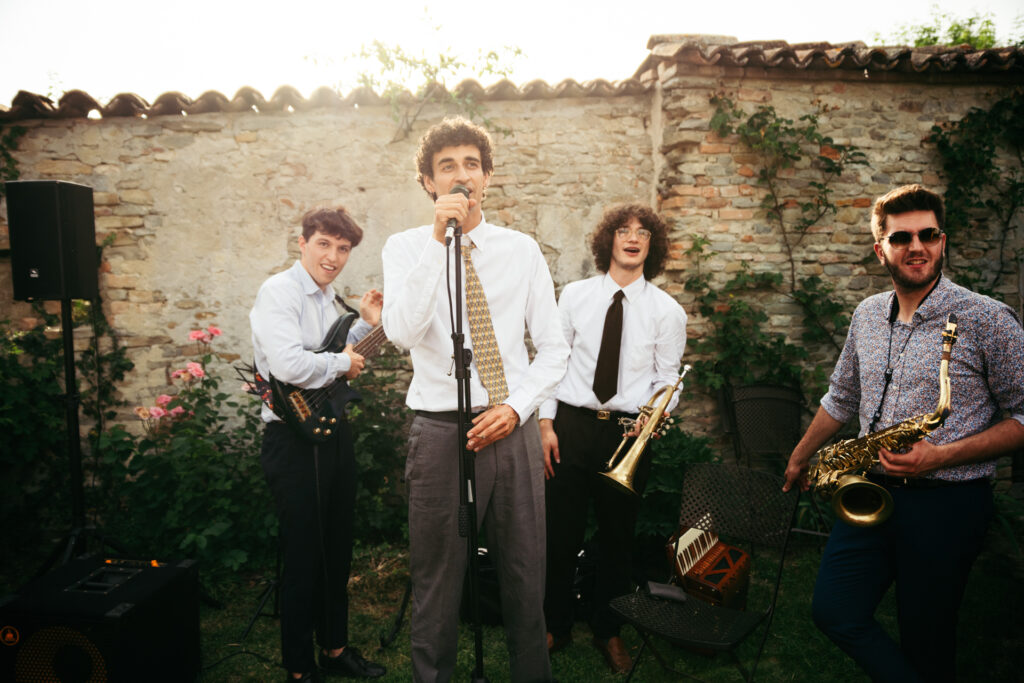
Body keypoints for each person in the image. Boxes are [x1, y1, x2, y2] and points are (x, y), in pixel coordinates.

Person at [782, 184, 1024, 682]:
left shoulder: (987, 318)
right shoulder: (868, 314)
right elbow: (842, 396)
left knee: (927, 635)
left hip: (948, 504)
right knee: (835, 611)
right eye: (902, 237)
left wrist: (940, 456)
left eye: (928, 234)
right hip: (871, 494)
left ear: (942, 241)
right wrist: (802, 454)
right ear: (881, 249)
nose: (917, 246)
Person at [381, 116, 569, 683]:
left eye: (470, 164)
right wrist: (439, 244)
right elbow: (402, 333)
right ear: (428, 182)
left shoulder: (522, 250)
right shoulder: (407, 248)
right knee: (437, 579)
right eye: (446, 167)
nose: (460, 175)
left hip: (509, 427)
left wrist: (516, 408)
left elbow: (554, 349)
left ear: (487, 176)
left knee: (523, 573)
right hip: (440, 431)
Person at [539, 204, 687, 673]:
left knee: (617, 540)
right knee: (559, 535)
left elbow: (669, 380)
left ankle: (609, 630)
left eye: (643, 233)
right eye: (623, 230)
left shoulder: (668, 311)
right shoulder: (574, 296)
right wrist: (544, 423)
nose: (633, 238)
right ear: (609, 241)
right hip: (570, 427)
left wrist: (658, 412)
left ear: (652, 246)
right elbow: (551, 363)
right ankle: (554, 624)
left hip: (628, 435)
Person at [250, 207, 386, 682]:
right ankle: (298, 667)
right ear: (303, 242)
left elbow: (350, 358)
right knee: (305, 553)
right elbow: (288, 364)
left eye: (343, 248)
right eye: (325, 244)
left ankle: (334, 648)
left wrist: (371, 323)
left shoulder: (332, 303)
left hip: (333, 433)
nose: (333, 256)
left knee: (336, 548)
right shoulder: (279, 293)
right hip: (291, 440)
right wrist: (339, 365)